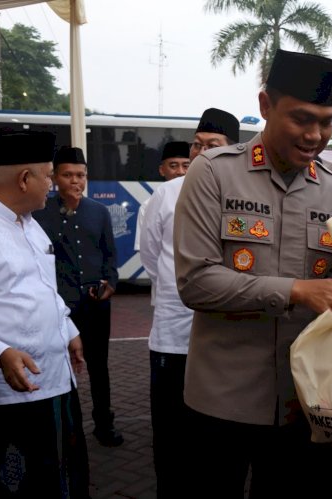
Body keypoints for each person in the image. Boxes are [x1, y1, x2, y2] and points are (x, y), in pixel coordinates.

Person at [173, 49, 332, 497]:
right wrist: (297, 291)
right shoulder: (213, 173)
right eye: (302, 119)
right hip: (221, 401)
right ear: (265, 106)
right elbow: (196, 281)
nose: (315, 135)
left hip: (300, 407)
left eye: (327, 121)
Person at [0, 130, 89, 497]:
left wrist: (68, 330)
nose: (52, 185)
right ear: (24, 179)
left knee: (53, 478)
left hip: (51, 381)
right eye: (49, 175)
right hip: (0, 394)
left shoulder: (32, 226)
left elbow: (43, 290)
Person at [139, 112, 239, 498]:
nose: (199, 153)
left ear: (232, 150)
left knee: (216, 443)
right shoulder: (164, 195)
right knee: (171, 440)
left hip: (224, 340)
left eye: (212, 146)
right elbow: (151, 258)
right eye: (197, 144)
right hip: (173, 339)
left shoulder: (242, 195)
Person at [33, 146, 122, 447]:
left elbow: (110, 255)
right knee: (60, 366)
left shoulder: (98, 211)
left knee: (99, 366)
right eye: (68, 175)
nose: (76, 181)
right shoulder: (39, 214)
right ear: (55, 177)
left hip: (96, 303)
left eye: (80, 175)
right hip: (61, 306)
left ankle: (103, 424)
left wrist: (111, 281)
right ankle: (69, 428)